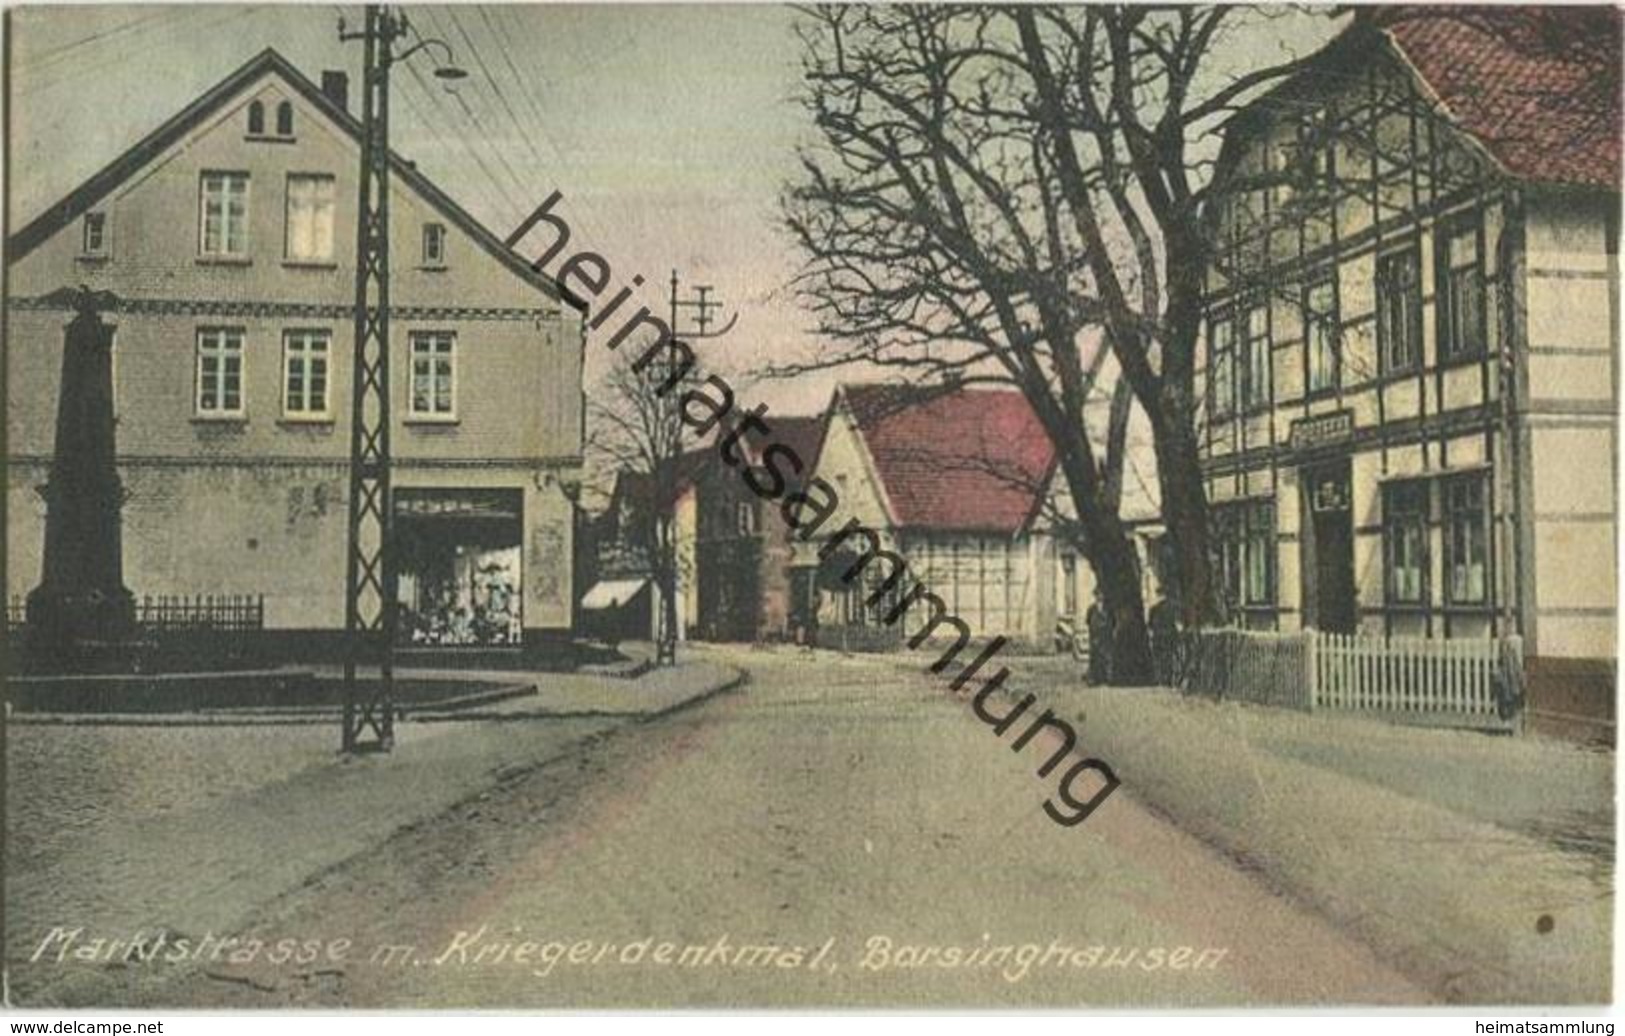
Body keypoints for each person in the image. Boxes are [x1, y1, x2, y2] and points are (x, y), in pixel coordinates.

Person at [1085, 589, 1113, 685]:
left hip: (1106, 637)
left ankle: (1108, 678)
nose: (1099, 597)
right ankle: (1095, 679)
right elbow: (1088, 622)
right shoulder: (1091, 609)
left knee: (1107, 658)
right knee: (1095, 658)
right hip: (1095, 637)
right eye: (1097, 595)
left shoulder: (1108, 609)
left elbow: (1112, 622)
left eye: (1101, 595)